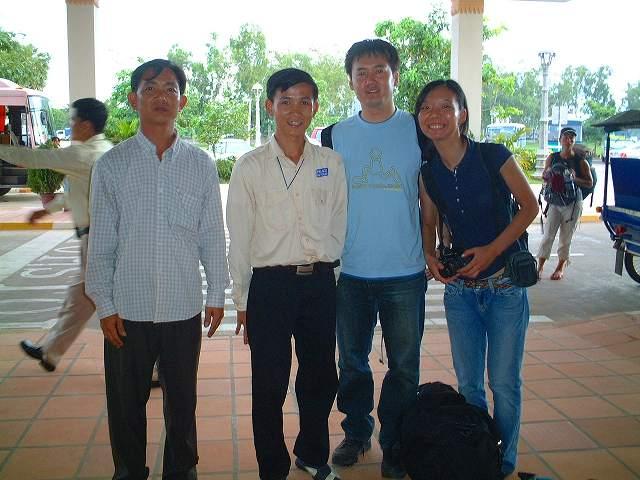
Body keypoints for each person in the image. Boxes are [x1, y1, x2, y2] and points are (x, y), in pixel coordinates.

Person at [85, 59, 229, 479]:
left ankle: (182, 470)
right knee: (125, 403)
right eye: (151, 88)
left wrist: (216, 293)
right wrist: (104, 304)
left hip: (182, 307)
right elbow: (102, 243)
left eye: (170, 89)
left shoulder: (200, 164)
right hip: (127, 309)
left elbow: (211, 235)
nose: (161, 97)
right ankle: (129, 471)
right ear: (134, 99)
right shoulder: (112, 165)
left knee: (182, 402)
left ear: (182, 102)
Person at [226, 68, 347, 480]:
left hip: (320, 284)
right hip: (270, 288)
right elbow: (240, 237)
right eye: (285, 101)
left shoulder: (331, 163)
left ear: (315, 107)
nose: (295, 110)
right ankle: (272, 467)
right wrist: (242, 299)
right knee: (269, 383)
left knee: (321, 378)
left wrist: (331, 278)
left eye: (304, 101)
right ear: (270, 106)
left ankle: (312, 454)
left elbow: (339, 223)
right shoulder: (250, 167)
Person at [416, 79, 538, 478]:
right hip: (461, 294)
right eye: (426, 108)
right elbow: (429, 220)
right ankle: (478, 458)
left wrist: (491, 250)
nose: (435, 115)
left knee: (503, 383)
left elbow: (529, 207)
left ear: (462, 114)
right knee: (469, 385)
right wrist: (430, 254)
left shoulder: (493, 156)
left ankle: (503, 463)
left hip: (504, 288)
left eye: (445, 107)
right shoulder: (428, 172)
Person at [321, 39, 426, 479]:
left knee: (404, 366)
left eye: (379, 70)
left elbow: (430, 195)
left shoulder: (419, 129)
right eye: (361, 73)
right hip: (351, 271)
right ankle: (357, 431)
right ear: (350, 81)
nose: (371, 80)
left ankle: (395, 442)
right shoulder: (334, 135)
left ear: (395, 76)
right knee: (352, 361)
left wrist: (434, 248)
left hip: (405, 271)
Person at [0, 98, 112, 372]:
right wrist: (47, 210)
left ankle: (150, 367)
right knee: (80, 301)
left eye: (73, 120)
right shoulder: (102, 150)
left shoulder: (81, 154)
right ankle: (50, 353)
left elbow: (35, 158)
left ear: (86, 125)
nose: (70, 126)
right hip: (96, 240)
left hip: (96, 241)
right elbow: (81, 194)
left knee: (114, 306)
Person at [537, 127, 593, 280]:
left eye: (571, 138)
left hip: (573, 203)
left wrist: (574, 179)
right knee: (548, 235)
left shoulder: (580, 162)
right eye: (566, 137)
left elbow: (589, 182)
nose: (568, 140)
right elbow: (544, 176)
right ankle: (539, 267)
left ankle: (560, 267)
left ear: (574, 141)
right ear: (560, 139)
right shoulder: (553, 157)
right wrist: (548, 175)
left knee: (565, 237)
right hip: (555, 201)